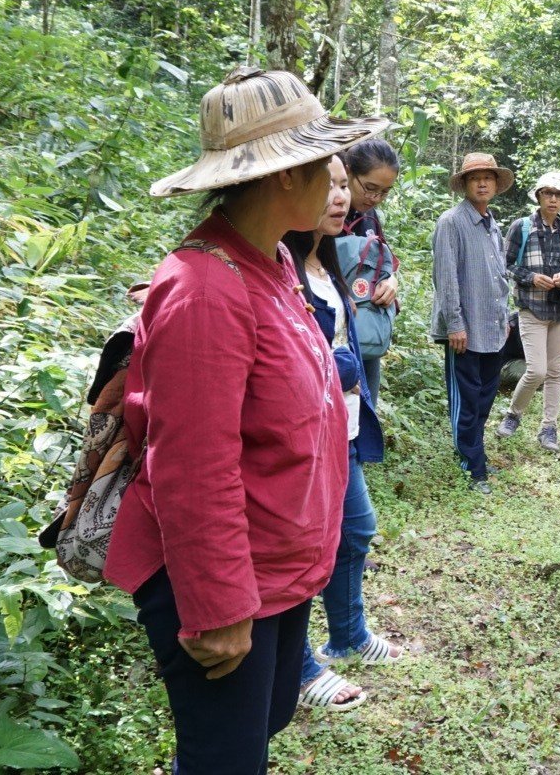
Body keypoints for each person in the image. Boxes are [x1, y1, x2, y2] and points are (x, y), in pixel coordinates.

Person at [105, 67, 386, 774]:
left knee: (259, 730)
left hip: (278, 570)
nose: (337, 174)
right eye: (323, 159)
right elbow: (193, 466)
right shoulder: (203, 290)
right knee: (225, 760)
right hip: (227, 582)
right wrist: (218, 603)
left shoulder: (277, 266)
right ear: (282, 176)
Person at [287, 158, 407, 712]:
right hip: (303, 439)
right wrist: (339, 370)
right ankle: (300, 667)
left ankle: (349, 633)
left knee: (356, 530)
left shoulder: (330, 255)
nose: (342, 199)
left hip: (343, 429)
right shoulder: (279, 266)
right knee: (299, 551)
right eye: (332, 186)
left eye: (344, 187)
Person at [432, 152, 516, 494]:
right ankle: (471, 466)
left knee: (484, 398)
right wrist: (455, 323)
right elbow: (446, 277)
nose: (482, 182)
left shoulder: (493, 225)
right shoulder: (451, 222)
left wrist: (504, 317)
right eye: (474, 178)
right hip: (464, 331)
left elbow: (498, 276)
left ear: (496, 184)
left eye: (488, 177)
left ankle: (474, 454)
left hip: (492, 328)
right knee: (465, 401)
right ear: (465, 184)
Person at [499, 171, 560, 453]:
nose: (553, 199)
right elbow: (506, 265)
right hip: (531, 307)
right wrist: (532, 277)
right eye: (547, 193)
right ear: (538, 196)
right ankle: (513, 414)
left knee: (555, 370)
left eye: (558, 194)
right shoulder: (522, 227)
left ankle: (549, 428)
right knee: (536, 370)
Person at [340, 139, 403, 408]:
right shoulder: (321, 212)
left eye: (384, 192)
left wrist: (391, 281)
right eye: (370, 188)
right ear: (348, 171)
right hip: (331, 331)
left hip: (365, 332)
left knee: (366, 409)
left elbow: (384, 261)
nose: (374, 198)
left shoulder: (370, 217)